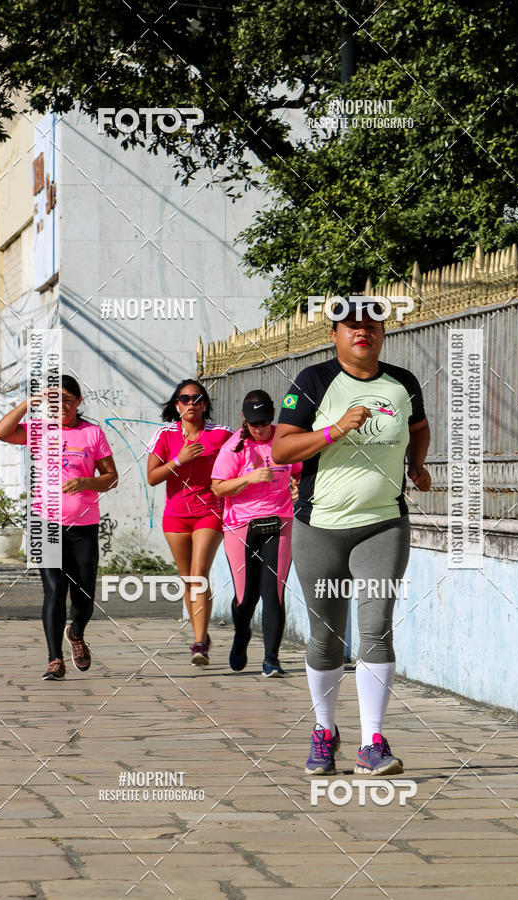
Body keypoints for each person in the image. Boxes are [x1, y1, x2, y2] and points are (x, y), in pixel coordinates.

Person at [272, 297, 431, 776]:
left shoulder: (402, 383)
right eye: (352, 326)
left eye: (372, 326)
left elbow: (419, 428)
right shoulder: (313, 381)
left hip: (383, 523)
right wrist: (335, 430)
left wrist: (417, 465)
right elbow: (281, 449)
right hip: (320, 527)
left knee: (376, 626)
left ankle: (373, 742)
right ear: (336, 335)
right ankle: (324, 731)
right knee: (324, 637)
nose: (363, 332)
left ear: (383, 333)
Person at [0, 375, 118, 681]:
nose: (61, 405)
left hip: (84, 526)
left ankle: (76, 633)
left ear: (78, 402)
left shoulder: (92, 433)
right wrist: (27, 403)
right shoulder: (40, 430)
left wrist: (87, 482)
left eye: (67, 399)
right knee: (54, 590)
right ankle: (54, 659)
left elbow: (111, 477)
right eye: (55, 399)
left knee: (84, 596)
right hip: (44, 523)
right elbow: (1, 432)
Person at [211, 390, 302, 677]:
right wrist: (249, 477)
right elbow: (217, 487)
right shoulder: (234, 447)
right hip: (241, 525)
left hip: (280, 520)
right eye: (253, 423)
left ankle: (271, 660)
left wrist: (299, 487)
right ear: (244, 419)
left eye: (263, 422)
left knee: (273, 592)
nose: (259, 429)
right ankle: (241, 635)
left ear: (273, 415)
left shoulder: (284, 441)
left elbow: (300, 470)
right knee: (246, 596)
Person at [147, 379, 232, 666]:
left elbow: (242, 460)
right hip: (175, 515)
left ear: (205, 403)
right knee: (187, 579)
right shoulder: (165, 435)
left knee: (198, 574)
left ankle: (198, 644)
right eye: (185, 399)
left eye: (197, 399)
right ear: (177, 405)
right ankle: (201, 634)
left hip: (209, 512)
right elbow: (153, 477)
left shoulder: (221, 434)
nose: (191, 404)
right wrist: (179, 460)